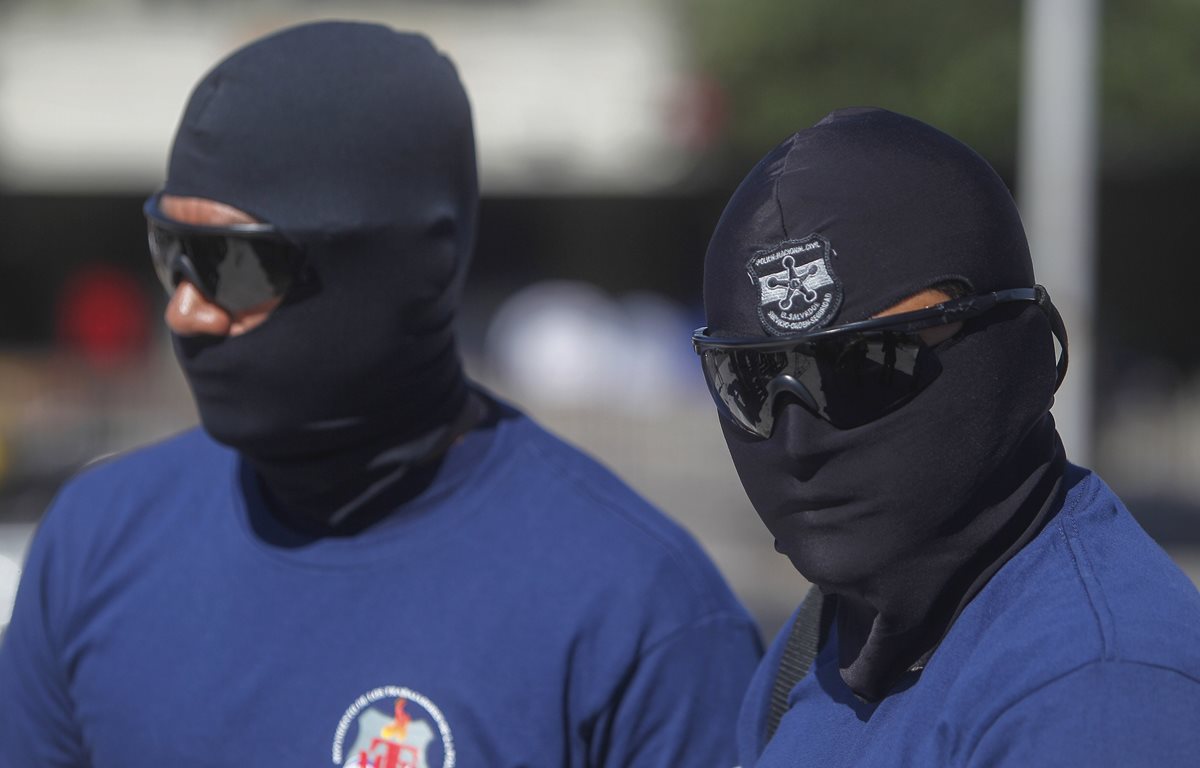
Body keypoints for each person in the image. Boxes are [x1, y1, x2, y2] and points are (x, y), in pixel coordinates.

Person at [0, 21, 762, 767]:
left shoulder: (638, 610)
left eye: (233, 262)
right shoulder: (96, 540)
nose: (184, 309)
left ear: (419, 266)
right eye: (170, 251)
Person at [693, 107, 1200, 767]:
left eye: (869, 364)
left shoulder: (1096, 694)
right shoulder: (830, 634)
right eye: (750, 380)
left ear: (1025, 352)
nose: (799, 442)